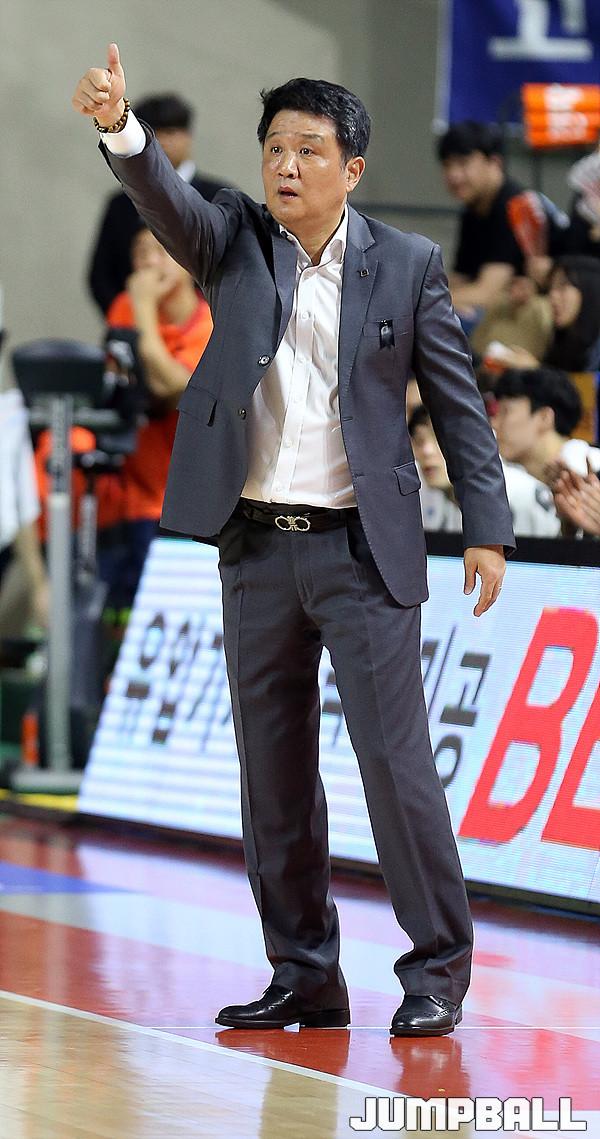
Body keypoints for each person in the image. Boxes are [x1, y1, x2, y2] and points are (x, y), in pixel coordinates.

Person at [73, 45, 515, 1038]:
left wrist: (486, 527)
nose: (285, 165)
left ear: (352, 167)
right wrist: (120, 128)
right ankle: (305, 973)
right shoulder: (233, 241)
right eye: (274, 146)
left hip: (364, 553)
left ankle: (437, 968)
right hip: (257, 551)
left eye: (308, 149)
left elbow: (459, 405)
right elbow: (166, 201)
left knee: (396, 769)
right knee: (272, 775)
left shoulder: (408, 264)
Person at [99, 224, 213, 606]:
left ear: (188, 262)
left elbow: (174, 388)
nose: (148, 263)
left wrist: (143, 309)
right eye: (140, 253)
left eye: (160, 251)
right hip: (130, 493)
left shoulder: (211, 323)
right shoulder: (123, 307)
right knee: (121, 611)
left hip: (185, 499)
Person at [88, 93, 228, 315]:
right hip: (133, 318)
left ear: (188, 137)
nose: (163, 142)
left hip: (205, 324)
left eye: (171, 132)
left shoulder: (219, 196)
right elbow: (101, 274)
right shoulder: (121, 204)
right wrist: (129, 315)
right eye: (155, 133)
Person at [437, 121, 564, 323]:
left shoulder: (514, 206)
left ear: (495, 162)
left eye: (463, 163)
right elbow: (459, 279)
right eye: (447, 165)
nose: (454, 175)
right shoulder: (473, 209)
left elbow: (486, 294)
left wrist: (425, 304)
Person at [409, 403, 559, 537]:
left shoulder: (523, 494)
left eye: (439, 439)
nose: (426, 451)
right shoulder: (420, 494)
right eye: (418, 441)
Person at [485, 255, 600, 374]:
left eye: (562, 287)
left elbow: (587, 385)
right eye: (550, 288)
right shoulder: (562, 341)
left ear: (589, 290)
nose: (552, 296)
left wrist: (536, 371)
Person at [494, 368, 600, 487]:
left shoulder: (595, 468)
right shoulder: (510, 482)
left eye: (505, 412)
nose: (494, 423)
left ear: (545, 418)